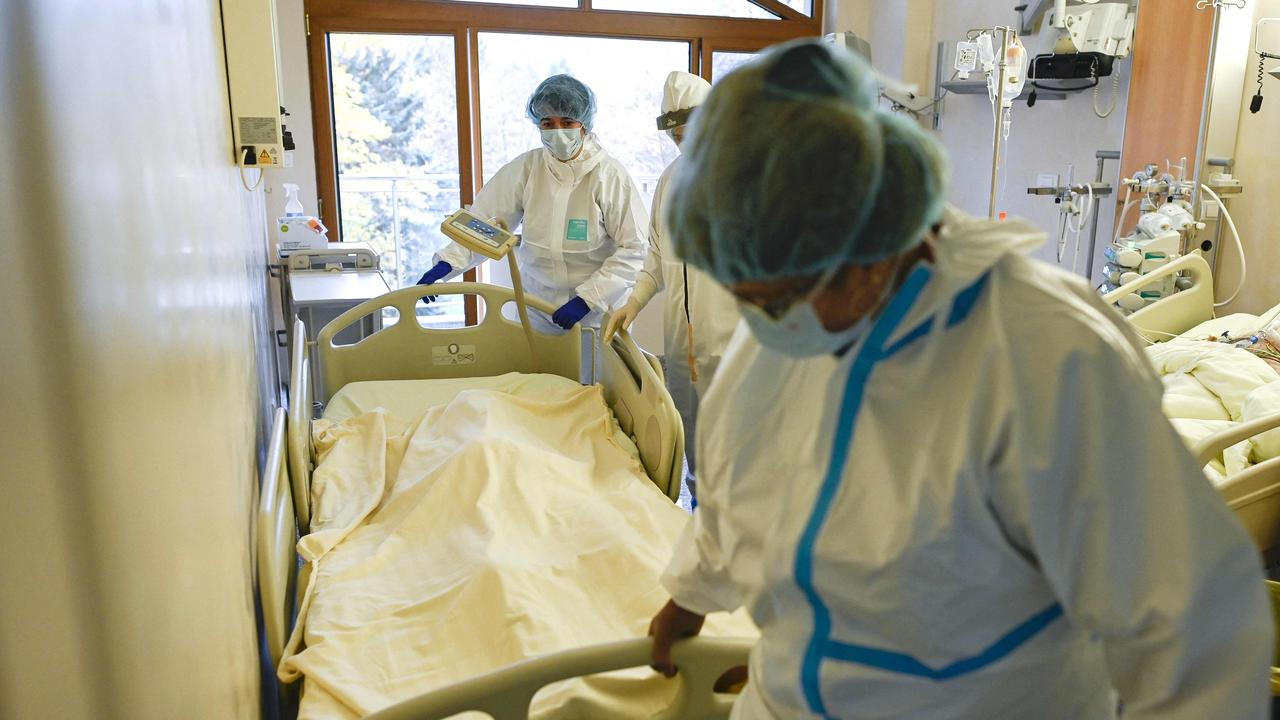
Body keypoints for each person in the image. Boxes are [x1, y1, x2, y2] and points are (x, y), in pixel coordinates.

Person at [648, 39, 1271, 719]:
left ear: (869, 246)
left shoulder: (1046, 355)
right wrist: (688, 600)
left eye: (771, 296)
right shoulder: (784, 331)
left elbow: (1193, 632)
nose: (759, 319)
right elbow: (742, 488)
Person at [417, 74, 648, 335]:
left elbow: (635, 248)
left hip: (595, 312)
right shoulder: (526, 169)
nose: (557, 131)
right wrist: (448, 263)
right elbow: (483, 222)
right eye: (547, 123)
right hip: (537, 306)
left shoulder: (609, 175)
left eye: (567, 122)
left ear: (584, 124)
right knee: (538, 374)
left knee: (593, 375)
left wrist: (588, 299)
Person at [605, 71, 739, 488]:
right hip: (683, 340)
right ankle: (699, 502)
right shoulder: (670, 181)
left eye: (691, 130)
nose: (683, 141)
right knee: (690, 426)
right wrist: (634, 302)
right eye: (677, 135)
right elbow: (659, 256)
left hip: (736, 336)